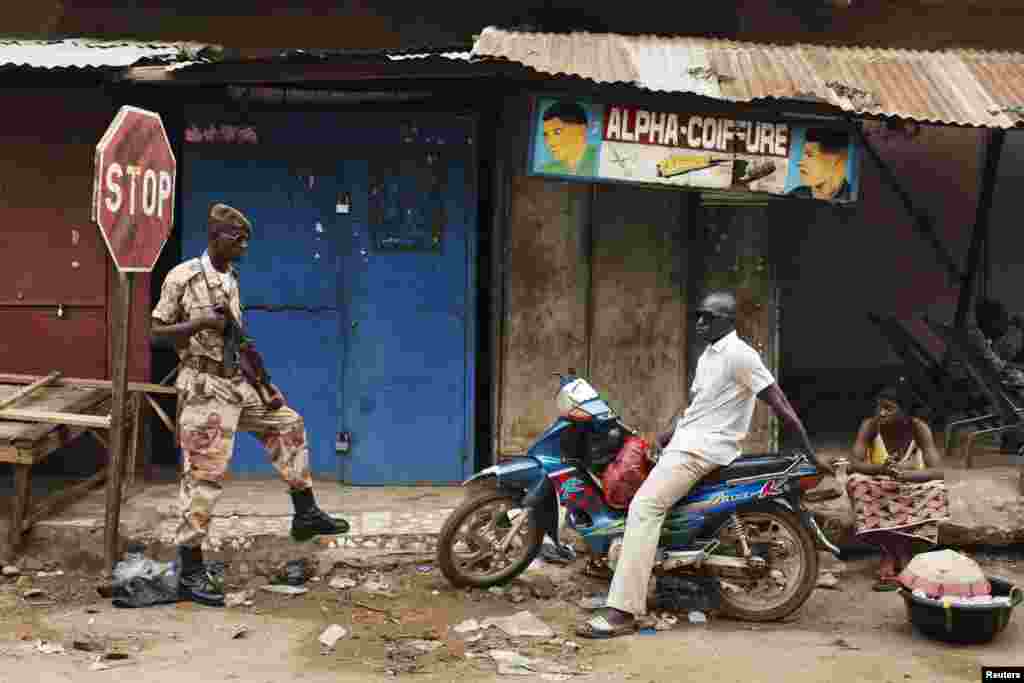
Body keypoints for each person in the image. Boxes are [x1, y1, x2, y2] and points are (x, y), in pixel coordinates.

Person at [576, 290, 830, 638]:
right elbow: (695, 408)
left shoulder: (741, 356)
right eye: (699, 316)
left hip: (701, 451)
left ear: (726, 321)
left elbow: (779, 403)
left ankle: (623, 611)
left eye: (707, 318)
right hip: (686, 443)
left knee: (645, 507)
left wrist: (808, 450)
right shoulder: (709, 356)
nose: (700, 323)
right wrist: (663, 437)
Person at [151, 202, 349, 607]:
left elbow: (238, 339)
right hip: (204, 388)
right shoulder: (184, 277)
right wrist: (201, 323)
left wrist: (266, 384)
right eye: (236, 238)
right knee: (203, 480)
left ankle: (305, 512)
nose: (243, 245)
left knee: (288, 424)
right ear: (215, 237)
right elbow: (155, 333)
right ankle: (190, 570)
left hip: (238, 384)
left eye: (246, 239)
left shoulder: (231, 279)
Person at [839, 386, 947, 591]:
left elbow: (938, 472)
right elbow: (853, 464)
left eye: (888, 408)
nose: (881, 413)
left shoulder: (919, 428)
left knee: (936, 490)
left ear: (905, 412)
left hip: (910, 485)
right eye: (878, 407)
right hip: (880, 485)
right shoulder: (870, 426)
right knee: (856, 483)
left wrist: (904, 475)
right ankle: (890, 554)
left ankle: (904, 554)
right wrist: (882, 469)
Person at [787, 127, 851, 201]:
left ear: (836, 159)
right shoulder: (793, 197)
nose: (799, 163)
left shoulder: (857, 197)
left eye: (810, 155)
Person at [540, 101, 599, 176]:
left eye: (557, 132)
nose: (549, 143)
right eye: (546, 135)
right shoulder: (546, 170)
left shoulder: (602, 160)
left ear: (581, 130)